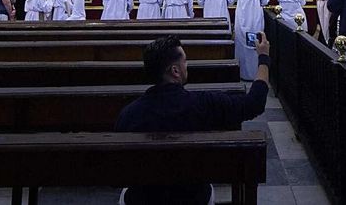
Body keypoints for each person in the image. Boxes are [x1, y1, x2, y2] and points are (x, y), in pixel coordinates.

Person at [115, 33, 271, 205]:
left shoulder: (128, 114)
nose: (187, 66)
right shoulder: (204, 104)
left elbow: (119, 174)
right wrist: (263, 59)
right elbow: (254, 104)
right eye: (185, 61)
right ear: (175, 71)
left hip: (142, 199)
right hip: (194, 197)